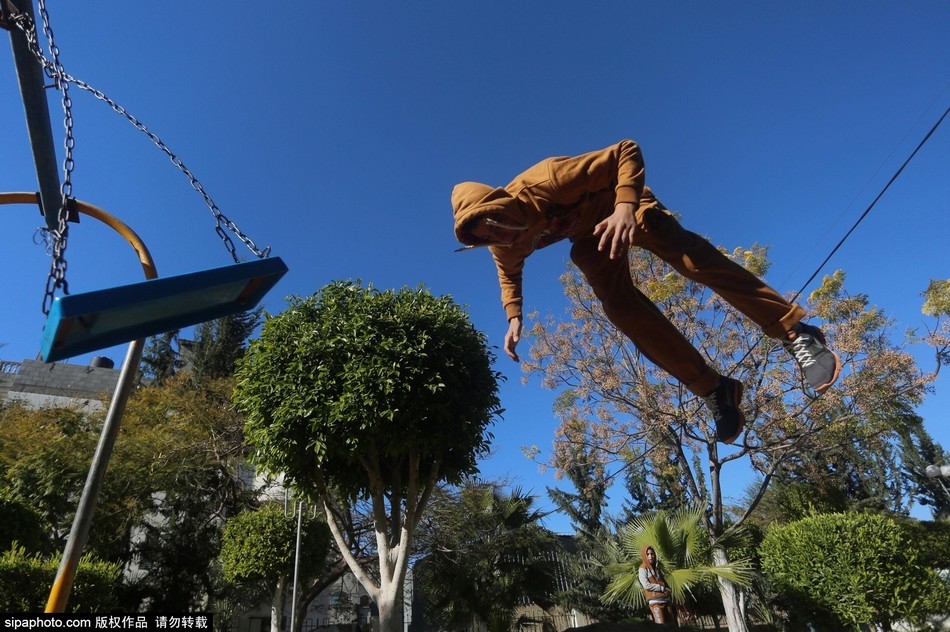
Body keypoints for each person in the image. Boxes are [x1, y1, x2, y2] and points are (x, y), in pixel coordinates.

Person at [452, 139, 840, 444]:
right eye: (489, 239)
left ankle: (793, 330)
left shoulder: (547, 179)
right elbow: (509, 273)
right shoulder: (502, 245)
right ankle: (715, 389)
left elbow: (626, 150)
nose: (501, 238)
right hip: (591, 237)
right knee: (619, 308)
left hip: (624, 204)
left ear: (499, 205)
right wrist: (514, 315)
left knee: (680, 252)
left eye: (498, 226)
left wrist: (624, 207)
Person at [638, 545, 673, 626]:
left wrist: (668, 590)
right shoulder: (642, 568)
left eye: (652, 554)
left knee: (671, 627)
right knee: (660, 627)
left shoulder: (657, 567)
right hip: (655, 602)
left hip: (666, 600)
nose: (650, 556)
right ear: (644, 555)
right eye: (647, 554)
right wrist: (661, 588)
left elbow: (663, 581)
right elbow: (646, 585)